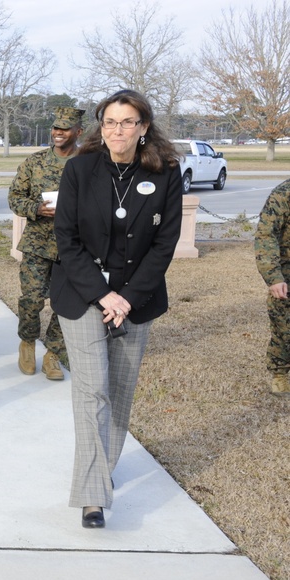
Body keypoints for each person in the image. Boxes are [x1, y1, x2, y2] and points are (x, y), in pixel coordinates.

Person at [52, 89, 181, 528]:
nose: (118, 130)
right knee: (93, 390)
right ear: (100, 127)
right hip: (83, 294)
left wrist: (127, 297)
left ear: (144, 127)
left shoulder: (166, 174)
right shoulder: (79, 169)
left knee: (120, 393)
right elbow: (66, 241)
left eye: (128, 122)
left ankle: (101, 471)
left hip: (137, 299)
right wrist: (103, 294)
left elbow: (164, 246)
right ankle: (92, 497)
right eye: (110, 122)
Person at [8, 106, 85, 381]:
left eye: (64, 129)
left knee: (66, 303)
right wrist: (37, 208)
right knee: (31, 299)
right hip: (38, 244)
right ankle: (27, 344)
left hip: (76, 246)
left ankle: (53, 353)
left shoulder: (89, 162)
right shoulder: (35, 162)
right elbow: (15, 198)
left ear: (78, 132)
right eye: (55, 128)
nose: (58, 133)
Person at [254, 177, 290, 395]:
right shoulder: (283, 194)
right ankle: (280, 373)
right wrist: (274, 277)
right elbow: (266, 235)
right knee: (284, 327)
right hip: (286, 272)